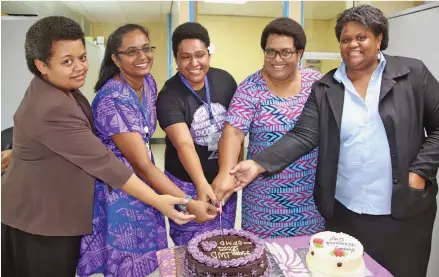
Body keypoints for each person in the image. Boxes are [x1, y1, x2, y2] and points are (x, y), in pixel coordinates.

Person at [230, 5, 438, 277]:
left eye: (361, 37)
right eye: (345, 39)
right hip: (345, 215)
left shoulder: (412, 74)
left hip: (402, 211)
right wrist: (257, 164)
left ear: (378, 39)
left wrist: (418, 171)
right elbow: (304, 134)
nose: (352, 44)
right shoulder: (327, 88)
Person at [1, 16, 194, 277]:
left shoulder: (61, 88)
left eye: (82, 57)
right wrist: (159, 201)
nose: (80, 67)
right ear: (41, 65)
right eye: (67, 61)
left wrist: (22, 151)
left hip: (51, 207)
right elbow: (104, 162)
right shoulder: (58, 104)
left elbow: (62, 135)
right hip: (41, 220)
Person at [77, 24, 217, 277]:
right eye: (131, 51)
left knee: (148, 261)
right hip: (121, 190)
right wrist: (187, 202)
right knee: (127, 263)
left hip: (147, 185)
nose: (142, 56)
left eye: (146, 48)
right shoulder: (113, 98)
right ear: (116, 59)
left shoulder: (148, 83)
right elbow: (141, 165)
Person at [213, 17, 325, 239]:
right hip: (263, 203)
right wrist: (226, 171)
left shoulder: (317, 84)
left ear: (300, 52)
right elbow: (233, 132)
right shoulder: (250, 88)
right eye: (270, 52)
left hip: (310, 199)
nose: (277, 59)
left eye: (286, 52)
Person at [156, 22, 238, 246]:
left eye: (200, 55)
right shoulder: (169, 95)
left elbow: (236, 130)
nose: (194, 63)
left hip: (223, 179)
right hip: (187, 184)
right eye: (185, 57)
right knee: (192, 247)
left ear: (209, 53)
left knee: (223, 244)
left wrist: (230, 172)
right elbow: (184, 145)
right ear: (176, 58)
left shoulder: (225, 81)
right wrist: (201, 185)